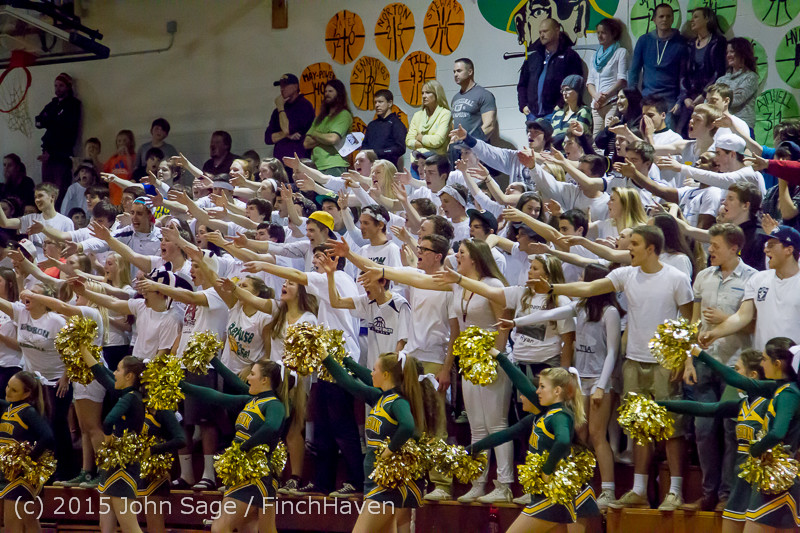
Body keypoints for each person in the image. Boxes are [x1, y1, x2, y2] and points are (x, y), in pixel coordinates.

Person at [530, 225, 693, 511]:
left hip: (666, 363)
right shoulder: (625, 274)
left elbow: (691, 321)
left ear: (651, 248)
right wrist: (554, 288)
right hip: (633, 361)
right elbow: (590, 288)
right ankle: (639, 489)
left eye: (635, 244)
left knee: (672, 429)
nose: (629, 249)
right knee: (638, 427)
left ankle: (675, 491)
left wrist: (687, 358)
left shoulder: (677, 278)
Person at [497, 263, 623, 510]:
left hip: (599, 380)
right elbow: (548, 315)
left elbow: (612, 352)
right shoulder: (581, 306)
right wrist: (515, 323)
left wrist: (601, 385)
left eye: (583, 278)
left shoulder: (610, 312)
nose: (579, 280)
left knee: (597, 435)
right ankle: (580, 485)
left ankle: (608, 490)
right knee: (581, 435)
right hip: (579, 379)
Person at [682, 223, 757, 512]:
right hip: (703, 361)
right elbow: (693, 322)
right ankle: (708, 493)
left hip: (734, 365)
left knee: (731, 431)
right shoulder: (702, 276)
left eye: (715, 245)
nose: (709, 249)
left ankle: (727, 495)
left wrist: (727, 317)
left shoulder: (752, 277)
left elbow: (752, 321)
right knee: (703, 430)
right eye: (709, 244)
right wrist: (689, 358)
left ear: (734, 247)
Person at [687, 341, 800, 531]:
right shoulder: (777, 388)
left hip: (779, 480)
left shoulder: (788, 393)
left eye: (765, 359)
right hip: (771, 478)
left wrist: (756, 449)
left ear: (778, 364)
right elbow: (735, 379)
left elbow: (778, 432)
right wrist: (699, 353)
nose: (762, 363)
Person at [468, 351, 585, 533]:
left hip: (552, 497)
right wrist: (471, 449)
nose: (536, 391)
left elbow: (562, 441)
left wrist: (547, 470)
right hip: (546, 496)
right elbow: (505, 434)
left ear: (557, 391)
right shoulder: (541, 416)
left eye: (542, 387)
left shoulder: (560, 416)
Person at [321, 350, 433, 533]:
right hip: (374, 482)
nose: (371, 373)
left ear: (386, 375)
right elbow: (348, 382)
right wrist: (332, 358)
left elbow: (407, 426)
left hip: (387, 486)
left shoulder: (398, 402)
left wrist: (390, 449)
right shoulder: (379, 398)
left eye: (374, 369)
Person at [658, 348, 767, 525]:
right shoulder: (742, 405)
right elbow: (704, 408)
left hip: (758, 489)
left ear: (753, 375)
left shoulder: (769, 404)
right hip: (740, 488)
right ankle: (713, 495)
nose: (732, 373)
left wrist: (699, 353)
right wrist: (659, 405)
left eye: (737, 369)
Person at [180, 359, 287, 533]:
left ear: (265, 380)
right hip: (240, 473)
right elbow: (215, 395)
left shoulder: (274, 404)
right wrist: (182, 385)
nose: (248, 378)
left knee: (220, 527)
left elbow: (271, 427)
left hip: (256, 476)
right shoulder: (250, 401)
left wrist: (244, 447)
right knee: (249, 528)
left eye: (253, 374)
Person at [700, 225, 800, 351]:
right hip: (761, 360)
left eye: (771, 245)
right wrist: (715, 333)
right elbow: (742, 316)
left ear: (789, 249)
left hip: (793, 364)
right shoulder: (758, 279)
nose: (765, 250)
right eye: (766, 246)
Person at [78, 345, 144, 533]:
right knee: (105, 525)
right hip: (114, 464)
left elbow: (108, 421)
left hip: (124, 465)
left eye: (118, 369)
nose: (114, 373)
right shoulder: (126, 394)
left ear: (129, 376)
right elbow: (102, 373)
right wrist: (83, 350)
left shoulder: (129, 398)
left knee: (129, 525)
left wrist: (108, 439)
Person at [0, 371, 55, 533]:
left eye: (14, 390)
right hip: (8, 475)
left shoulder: (28, 412)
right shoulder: (6, 408)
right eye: (8, 386)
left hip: (21, 477)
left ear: (27, 393)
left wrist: (28, 461)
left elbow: (48, 437)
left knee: (12, 527)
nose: (8, 391)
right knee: (30, 523)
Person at [628, 3, 688, 120]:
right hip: (647, 97)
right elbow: (633, 72)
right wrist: (632, 97)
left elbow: (683, 75)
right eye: (661, 16)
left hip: (669, 99)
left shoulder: (681, 43)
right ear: (654, 19)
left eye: (668, 16)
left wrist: (680, 100)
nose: (665, 19)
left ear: (672, 19)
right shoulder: (644, 41)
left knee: (667, 133)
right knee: (644, 132)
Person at [517, 18, 583, 121]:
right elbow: (522, 84)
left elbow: (576, 84)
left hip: (557, 114)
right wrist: (523, 105)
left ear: (557, 31)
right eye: (540, 32)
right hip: (532, 115)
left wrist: (559, 106)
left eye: (545, 31)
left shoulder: (569, 56)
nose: (542, 35)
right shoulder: (533, 57)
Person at [674, 8, 727, 136]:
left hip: (708, 97)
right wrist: (685, 97)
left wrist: (704, 95)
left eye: (696, 17)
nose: (692, 20)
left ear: (707, 19)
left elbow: (718, 72)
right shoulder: (690, 45)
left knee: (706, 131)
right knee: (682, 131)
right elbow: (683, 74)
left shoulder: (718, 42)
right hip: (690, 98)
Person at [35, 72, 81, 204]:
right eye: (56, 85)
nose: (57, 89)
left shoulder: (73, 104)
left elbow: (65, 129)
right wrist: (52, 120)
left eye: (61, 85)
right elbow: (39, 121)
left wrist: (50, 120)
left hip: (61, 155)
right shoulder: (53, 104)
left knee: (59, 192)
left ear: (68, 86)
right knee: (46, 191)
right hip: (47, 153)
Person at [0, 183, 74, 261]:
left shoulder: (66, 222)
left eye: (40, 196)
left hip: (55, 268)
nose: (37, 200)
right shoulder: (31, 218)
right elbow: (5, 223)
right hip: (36, 268)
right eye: (35, 197)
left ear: (52, 197)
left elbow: (69, 250)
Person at [587, 18, 629, 137]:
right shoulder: (594, 57)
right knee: (596, 140)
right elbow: (590, 82)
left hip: (612, 102)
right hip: (597, 104)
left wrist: (605, 96)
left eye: (603, 33)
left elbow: (622, 80)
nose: (600, 36)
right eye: (598, 33)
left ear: (613, 33)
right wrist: (596, 96)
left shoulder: (621, 52)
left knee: (609, 137)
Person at [265, 73, 316, 168]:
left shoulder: (304, 106)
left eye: (286, 85)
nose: (282, 88)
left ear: (296, 86)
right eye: (281, 86)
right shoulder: (277, 112)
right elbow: (268, 138)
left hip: (299, 161)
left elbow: (287, 129)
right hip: (280, 164)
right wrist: (287, 135)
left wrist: (280, 106)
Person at [304, 79, 353, 176]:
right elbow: (306, 143)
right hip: (316, 166)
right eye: (325, 91)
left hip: (334, 165)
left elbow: (333, 139)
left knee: (331, 192)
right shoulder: (320, 118)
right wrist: (325, 136)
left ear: (339, 94)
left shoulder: (344, 115)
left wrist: (315, 134)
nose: (327, 94)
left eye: (331, 91)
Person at [451, 58, 497, 157]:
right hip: (457, 149)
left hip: (475, 150)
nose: (455, 74)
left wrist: (472, 143)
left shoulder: (484, 95)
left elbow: (489, 125)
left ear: (470, 72)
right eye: (454, 72)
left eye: (459, 71)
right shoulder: (455, 98)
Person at [715, 38, 760, 129]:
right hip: (722, 126)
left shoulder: (751, 77)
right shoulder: (721, 80)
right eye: (727, 52)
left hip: (743, 126)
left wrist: (717, 99)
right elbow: (709, 100)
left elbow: (737, 99)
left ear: (742, 53)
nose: (728, 55)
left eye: (732, 51)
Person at [406, 80, 452, 156]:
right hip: (417, 162)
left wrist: (420, 137)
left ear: (437, 94)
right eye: (422, 93)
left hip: (437, 162)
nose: (424, 96)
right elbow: (408, 141)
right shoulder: (417, 115)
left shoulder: (445, 113)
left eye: (428, 92)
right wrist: (429, 146)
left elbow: (437, 141)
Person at [363, 89, 407, 167]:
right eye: (375, 102)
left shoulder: (397, 124)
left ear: (389, 103)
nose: (377, 105)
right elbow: (365, 146)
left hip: (388, 167)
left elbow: (400, 148)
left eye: (380, 102)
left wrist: (377, 152)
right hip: (370, 168)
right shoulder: (372, 125)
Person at [550, 75, 592, 150]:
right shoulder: (557, 114)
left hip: (575, 156)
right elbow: (550, 141)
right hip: (557, 156)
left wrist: (557, 139)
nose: (564, 93)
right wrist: (567, 133)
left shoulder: (583, 111)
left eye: (567, 89)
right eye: (562, 90)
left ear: (577, 91)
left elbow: (576, 137)